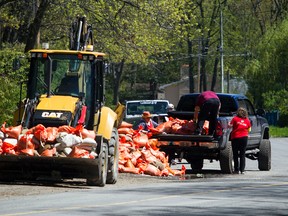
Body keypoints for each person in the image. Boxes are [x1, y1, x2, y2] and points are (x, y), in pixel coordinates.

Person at [229, 107, 251, 174]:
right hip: (244, 138)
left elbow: (230, 125)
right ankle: (242, 170)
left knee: (235, 154)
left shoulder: (235, 119)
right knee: (242, 154)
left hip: (235, 137)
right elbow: (249, 129)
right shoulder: (247, 121)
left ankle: (236, 169)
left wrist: (228, 125)